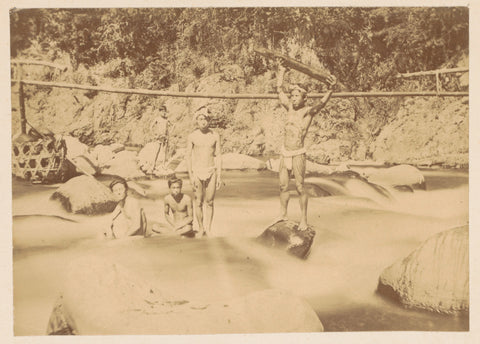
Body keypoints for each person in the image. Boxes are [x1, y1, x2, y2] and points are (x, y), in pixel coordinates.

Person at [276, 60, 337, 230]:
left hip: (298, 153)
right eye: (293, 96)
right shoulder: (289, 108)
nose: (293, 98)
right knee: (282, 185)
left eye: (297, 96)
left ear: (304, 98)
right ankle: (283, 214)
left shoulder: (307, 112)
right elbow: (279, 91)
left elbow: (322, 104)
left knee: (300, 186)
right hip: (285, 152)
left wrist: (331, 89)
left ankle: (303, 219)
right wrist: (281, 72)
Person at [186, 107, 222, 237]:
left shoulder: (215, 135)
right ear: (197, 120)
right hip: (197, 171)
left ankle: (209, 228)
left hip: (211, 170)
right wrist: (190, 175)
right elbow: (188, 156)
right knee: (198, 201)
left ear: (209, 120)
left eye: (205, 119)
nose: (203, 122)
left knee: (210, 201)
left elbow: (218, 155)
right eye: (200, 119)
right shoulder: (192, 136)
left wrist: (219, 176)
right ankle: (201, 227)